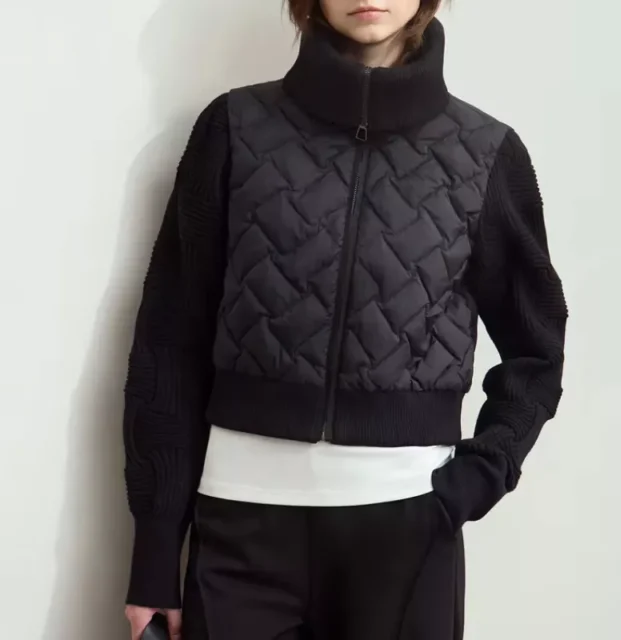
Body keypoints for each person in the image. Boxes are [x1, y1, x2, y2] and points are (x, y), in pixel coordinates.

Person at [123, 1, 568, 638]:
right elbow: (170, 340)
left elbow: (537, 350)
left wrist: (480, 476)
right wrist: (156, 547)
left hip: (407, 529)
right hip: (240, 528)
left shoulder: (486, 153)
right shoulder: (234, 128)